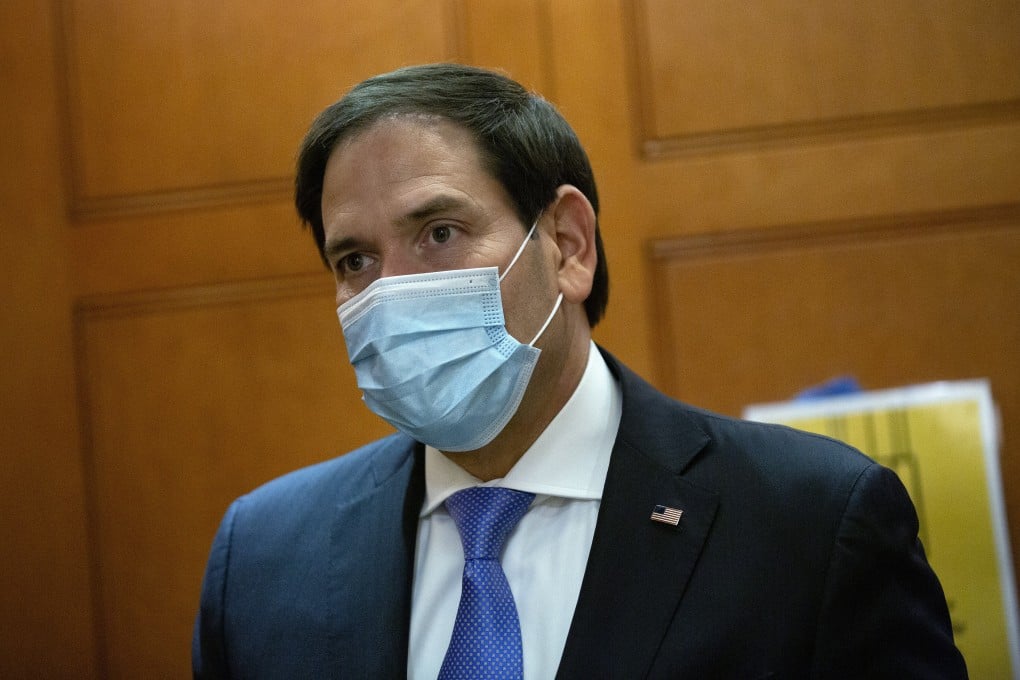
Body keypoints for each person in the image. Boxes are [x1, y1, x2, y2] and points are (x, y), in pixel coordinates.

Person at [193, 63, 967, 679]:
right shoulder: (261, 558)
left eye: (439, 232)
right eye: (354, 260)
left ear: (567, 244)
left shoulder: (812, 523)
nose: (392, 292)